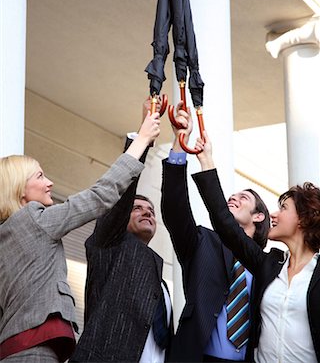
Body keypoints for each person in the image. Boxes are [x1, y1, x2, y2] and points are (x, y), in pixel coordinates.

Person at [0, 109, 160, 363]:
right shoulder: (34, 219)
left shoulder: (7, 235)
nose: (50, 182)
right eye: (40, 176)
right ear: (20, 190)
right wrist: (140, 141)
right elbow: (100, 196)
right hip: (34, 352)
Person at [192, 130, 320, 363]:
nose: (273, 214)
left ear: (303, 219)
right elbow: (225, 223)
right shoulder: (268, 265)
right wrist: (206, 160)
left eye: (283, 208)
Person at [161, 104, 270, 363]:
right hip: (196, 356)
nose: (232, 199)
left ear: (259, 216)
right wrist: (179, 145)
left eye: (242, 198)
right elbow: (175, 208)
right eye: (230, 197)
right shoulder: (203, 242)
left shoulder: (269, 266)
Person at [70, 101, 172, 363]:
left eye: (150, 210)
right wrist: (144, 140)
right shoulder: (108, 244)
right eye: (137, 208)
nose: (147, 212)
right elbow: (122, 195)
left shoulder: (157, 277)